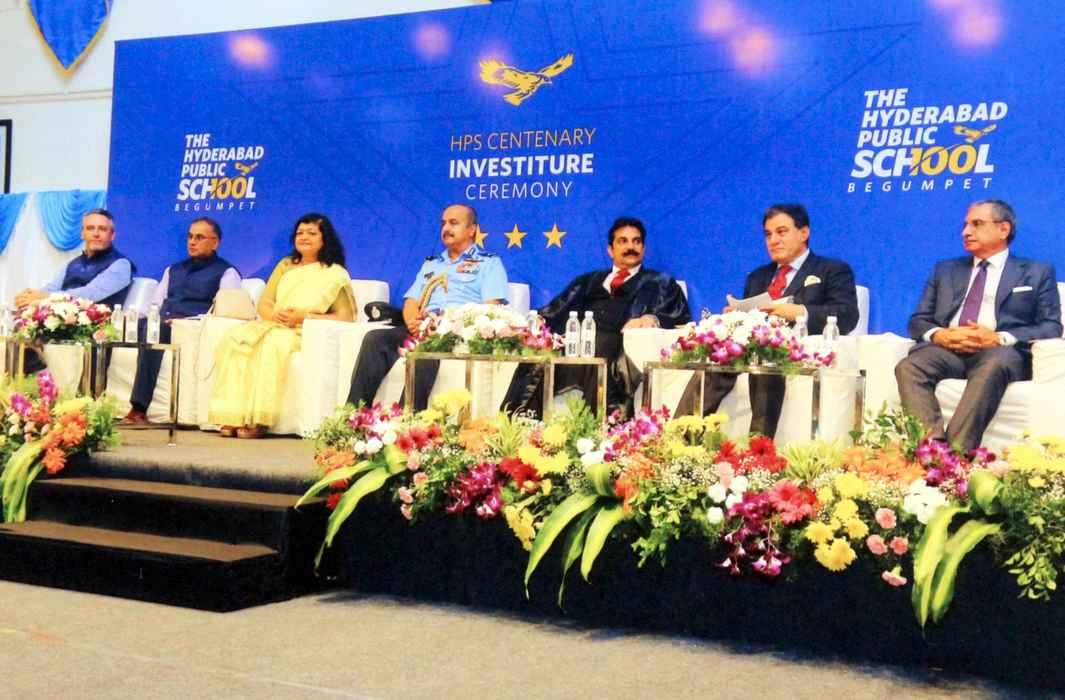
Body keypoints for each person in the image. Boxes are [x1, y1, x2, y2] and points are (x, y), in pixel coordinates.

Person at [895, 199, 1061, 452]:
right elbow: (918, 320)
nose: (966, 232)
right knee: (909, 367)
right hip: (948, 351)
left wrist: (998, 337)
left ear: (1003, 229)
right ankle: (931, 451)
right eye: (965, 225)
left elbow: (1051, 326)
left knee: (993, 365)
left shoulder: (1036, 272)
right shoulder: (945, 270)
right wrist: (940, 335)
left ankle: (956, 455)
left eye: (977, 224)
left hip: (1000, 352)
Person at [696, 203, 859, 437]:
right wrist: (736, 317)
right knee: (713, 357)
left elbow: (847, 315)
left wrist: (798, 312)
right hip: (749, 348)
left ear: (804, 233)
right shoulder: (757, 276)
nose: (773, 240)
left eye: (781, 232)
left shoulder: (832, 270)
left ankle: (759, 447)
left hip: (791, 349)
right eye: (768, 234)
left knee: (768, 356)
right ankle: (681, 438)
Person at [502, 216, 690, 417]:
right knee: (538, 352)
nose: (630, 247)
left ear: (643, 249)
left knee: (602, 345)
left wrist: (650, 319)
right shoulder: (588, 280)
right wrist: (538, 321)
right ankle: (519, 420)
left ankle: (601, 425)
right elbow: (557, 309)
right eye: (623, 241)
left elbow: (678, 318)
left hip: (618, 349)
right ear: (610, 249)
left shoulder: (660, 283)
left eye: (636, 241)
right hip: (575, 346)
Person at [346, 203, 508, 409]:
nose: (446, 228)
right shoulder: (432, 264)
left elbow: (490, 309)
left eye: (454, 223)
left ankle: (407, 418)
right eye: (443, 223)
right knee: (375, 339)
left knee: (424, 350)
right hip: (422, 328)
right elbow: (411, 301)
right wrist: (413, 322)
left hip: (457, 332)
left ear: (472, 229)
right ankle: (354, 414)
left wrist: (447, 324)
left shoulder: (489, 263)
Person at [208, 213, 355, 438]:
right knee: (234, 339)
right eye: (299, 233)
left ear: (325, 239)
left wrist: (304, 317)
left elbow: (345, 317)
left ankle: (258, 419)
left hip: (302, 331)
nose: (303, 237)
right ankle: (232, 415)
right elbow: (265, 303)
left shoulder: (335, 273)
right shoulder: (286, 265)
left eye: (311, 233)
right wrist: (274, 316)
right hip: (273, 325)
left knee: (271, 344)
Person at [120, 217, 241, 426]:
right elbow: (155, 303)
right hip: (161, 321)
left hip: (191, 328)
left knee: (153, 332)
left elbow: (225, 313)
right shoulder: (173, 270)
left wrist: (185, 321)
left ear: (215, 243)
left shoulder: (227, 272)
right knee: (136, 327)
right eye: (190, 237)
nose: (192, 242)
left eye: (199, 238)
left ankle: (138, 408)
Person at [15, 208, 135, 308]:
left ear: (112, 235)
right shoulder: (73, 264)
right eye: (90, 228)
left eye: (102, 229)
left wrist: (45, 297)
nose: (96, 234)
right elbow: (52, 287)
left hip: (100, 326)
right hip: (62, 321)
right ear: (82, 234)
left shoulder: (121, 264)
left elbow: (89, 294)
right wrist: (29, 296)